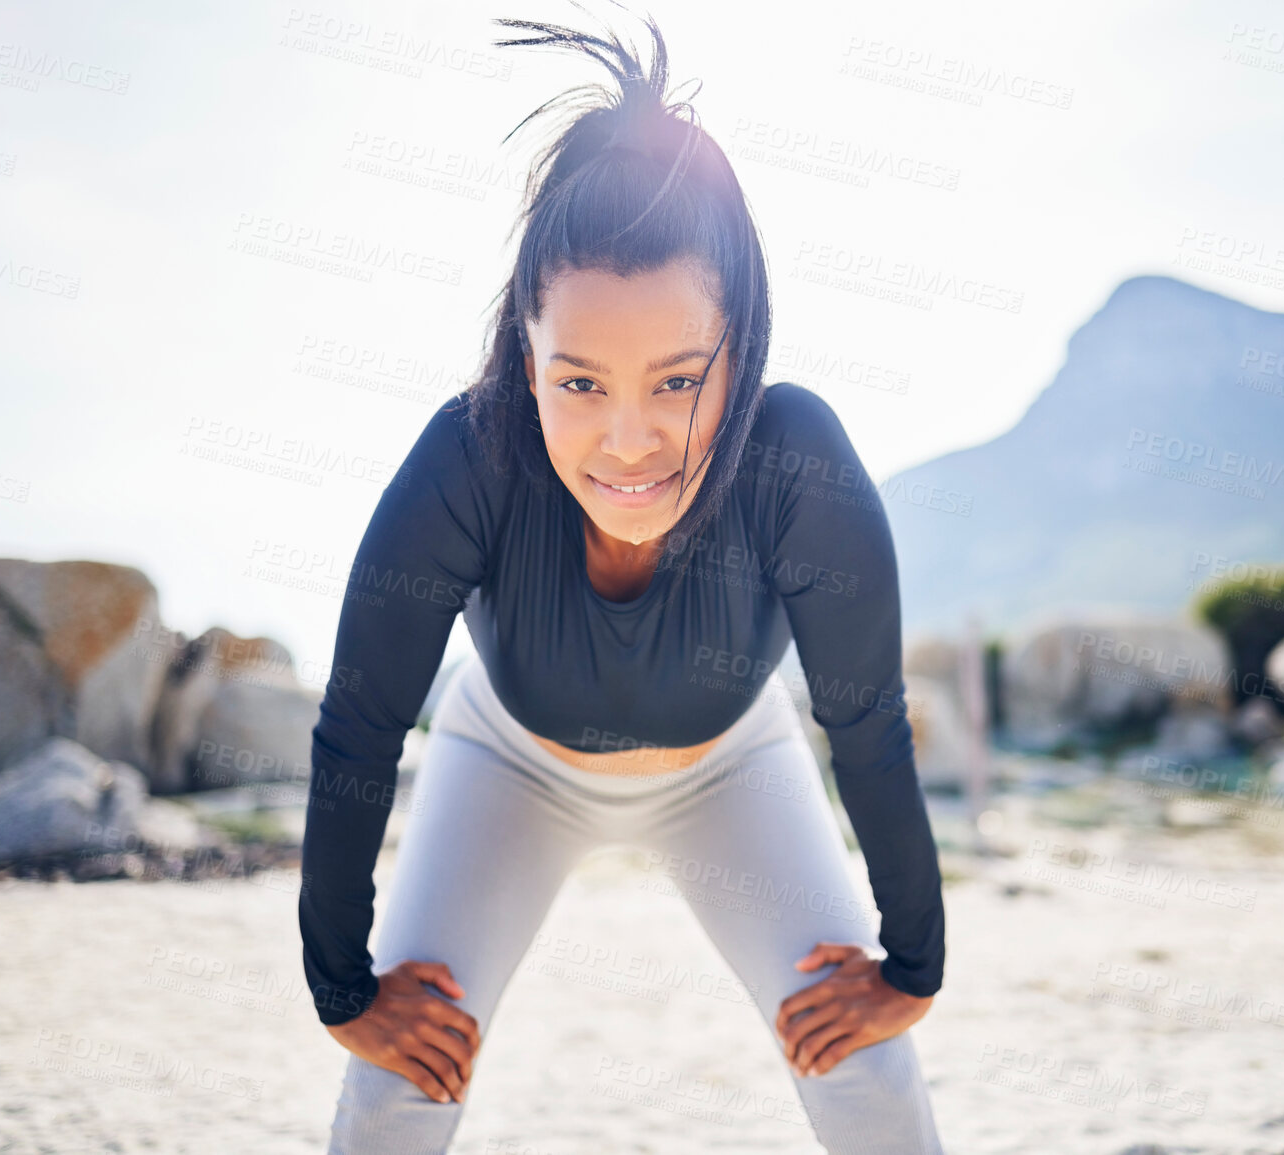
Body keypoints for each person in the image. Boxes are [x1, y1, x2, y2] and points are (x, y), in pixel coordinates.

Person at [298, 9, 947, 1153]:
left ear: (741, 350)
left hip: (731, 767)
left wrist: (912, 967)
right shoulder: (473, 455)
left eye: (680, 380)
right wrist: (345, 993)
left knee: (870, 1073)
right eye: (581, 383)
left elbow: (865, 720)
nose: (631, 442)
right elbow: (361, 724)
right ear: (526, 355)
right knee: (402, 1085)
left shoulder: (798, 464)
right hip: (507, 760)